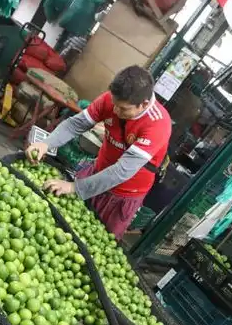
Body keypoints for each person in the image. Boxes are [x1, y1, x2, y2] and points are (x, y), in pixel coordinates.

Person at [26, 65, 172, 239]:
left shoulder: (158, 124)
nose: (116, 111)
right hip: (97, 172)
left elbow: (121, 172)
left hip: (123, 194)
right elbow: (75, 124)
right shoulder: (111, 100)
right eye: (115, 105)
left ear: (144, 104)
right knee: (61, 223)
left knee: (95, 239)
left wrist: (75, 187)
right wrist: (46, 144)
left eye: (123, 109)